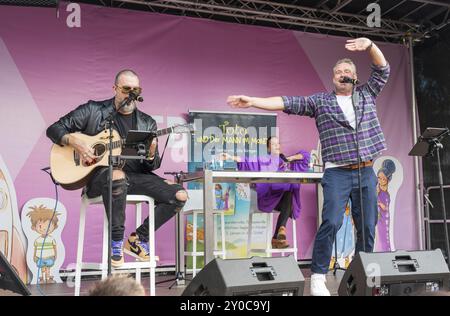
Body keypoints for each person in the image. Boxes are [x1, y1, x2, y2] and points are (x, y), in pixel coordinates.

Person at [227, 37, 389, 296]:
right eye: (338, 72)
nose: (342, 75)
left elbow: (382, 69)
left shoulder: (367, 95)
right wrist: (254, 100)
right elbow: (287, 102)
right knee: (332, 222)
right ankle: (317, 276)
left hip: (366, 170)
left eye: (347, 72)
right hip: (337, 172)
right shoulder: (320, 102)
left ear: (355, 77)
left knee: (368, 225)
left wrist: (369, 45)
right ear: (333, 78)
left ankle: (362, 276)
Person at [47, 69, 188, 267]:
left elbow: (152, 165)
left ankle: (139, 239)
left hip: (135, 177)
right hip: (99, 178)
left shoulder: (147, 123)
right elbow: (54, 129)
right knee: (117, 175)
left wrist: (150, 153)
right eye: (126, 89)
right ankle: (116, 242)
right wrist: (76, 142)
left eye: (135, 89)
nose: (131, 94)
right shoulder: (93, 110)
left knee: (179, 196)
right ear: (115, 89)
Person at [222, 136, 310, 248]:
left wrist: (290, 158)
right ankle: (278, 235)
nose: (277, 146)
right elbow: (247, 161)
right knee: (289, 198)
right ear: (268, 149)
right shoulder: (264, 160)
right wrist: (230, 157)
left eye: (278, 143)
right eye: (273, 144)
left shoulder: (287, 163)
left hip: (283, 201)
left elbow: (306, 156)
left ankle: (278, 234)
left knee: (289, 194)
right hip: (269, 199)